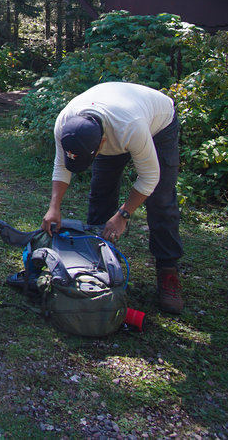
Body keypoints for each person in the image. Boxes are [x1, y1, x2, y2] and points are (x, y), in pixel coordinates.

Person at [40, 81, 184, 314]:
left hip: (158, 123)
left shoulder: (131, 128)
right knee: (101, 192)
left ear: (102, 145)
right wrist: (54, 207)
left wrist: (123, 215)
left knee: (161, 200)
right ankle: (98, 266)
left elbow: (149, 177)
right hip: (112, 117)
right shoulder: (66, 123)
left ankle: (168, 273)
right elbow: (61, 165)